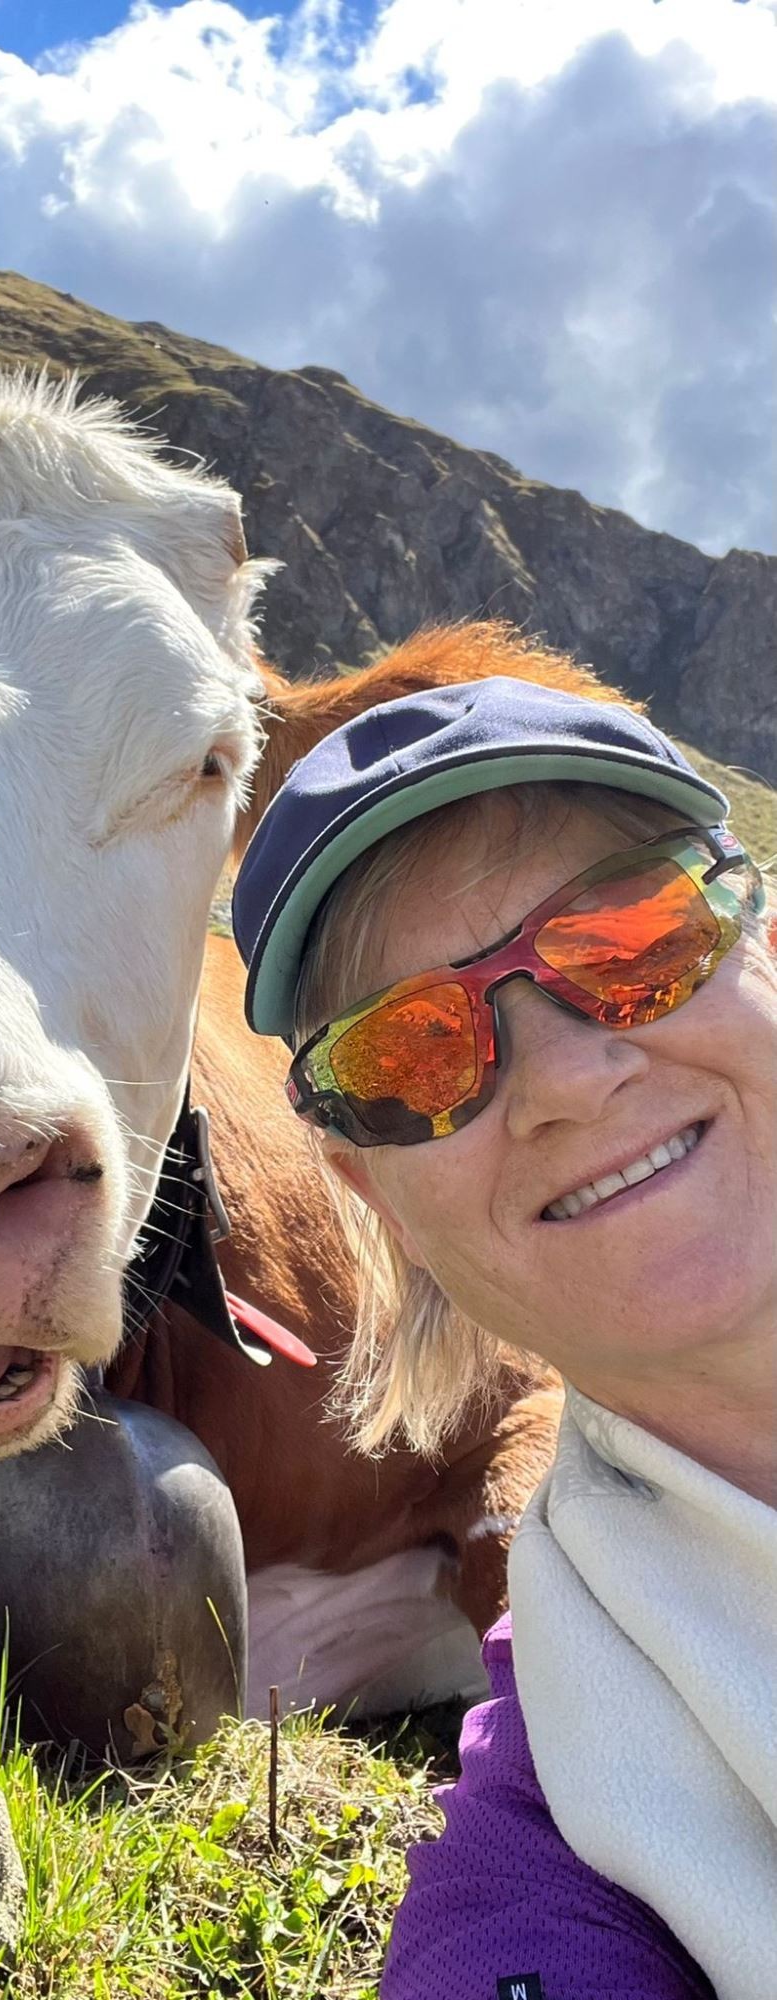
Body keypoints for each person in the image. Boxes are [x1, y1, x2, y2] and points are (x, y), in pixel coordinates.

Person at [232, 673, 777, 2000]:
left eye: (637, 937)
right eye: (409, 1057)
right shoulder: (579, 1756)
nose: (566, 1083)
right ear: (375, 1199)